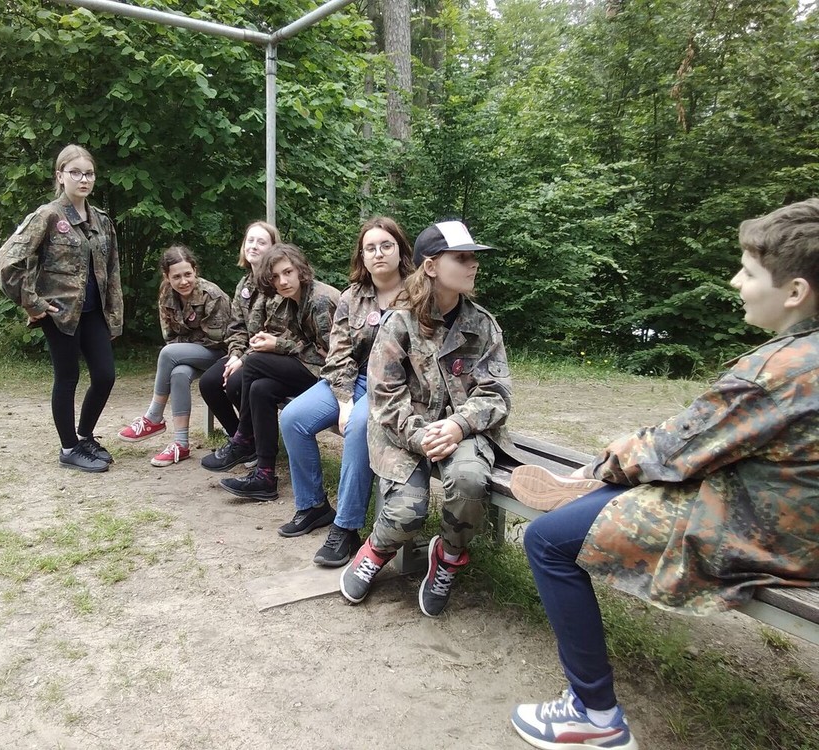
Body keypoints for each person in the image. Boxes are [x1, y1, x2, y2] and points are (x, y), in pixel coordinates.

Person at [507, 199, 819, 750]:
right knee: (616, 490)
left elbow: (680, 447)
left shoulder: (782, 370)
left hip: (766, 533)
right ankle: (593, 492)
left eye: (749, 273)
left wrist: (612, 458)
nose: (735, 282)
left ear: (795, 291)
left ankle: (593, 714)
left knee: (547, 540)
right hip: (793, 517)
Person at [339, 220, 512, 617]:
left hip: (466, 430)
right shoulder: (400, 321)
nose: (473, 265)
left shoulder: (482, 325)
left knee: (469, 481)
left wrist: (457, 425)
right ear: (431, 267)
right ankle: (375, 550)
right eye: (462, 258)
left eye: (473, 258)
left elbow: (497, 394)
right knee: (406, 512)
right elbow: (384, 396)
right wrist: (421, 437)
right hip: (402, 429)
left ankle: (448, 557)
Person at [277, 217, 414, 566]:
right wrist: (343, 399)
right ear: (362, 256)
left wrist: (354, 408)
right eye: (370, 248)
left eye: (386, 245)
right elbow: (338, 354)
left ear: (400, 250)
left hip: (396, 387)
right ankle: (313, 506)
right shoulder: (352, 297)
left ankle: (347, 526)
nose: (378, 253)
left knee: (359, 427)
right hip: (352, 380)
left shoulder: (419, 294)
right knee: (293, 418)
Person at [0, 144, 122, 473]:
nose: (84, 179)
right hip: (61, 313)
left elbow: (112, 271)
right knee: (67, 377)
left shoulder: (101, 220)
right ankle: (68, 449)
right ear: (60, 176)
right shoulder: (48, 216)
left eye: (89, 173)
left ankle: (84, 437)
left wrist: (114, 316)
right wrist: (32, 302)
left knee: (105, 376)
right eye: (75, 173)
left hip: (93, 313)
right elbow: (7, 261)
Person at [203, 244, 340, 501]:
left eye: (288, 272)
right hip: (313, 367)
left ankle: (244, 439)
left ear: (300, 270)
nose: (283, 281)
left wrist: (279, 345)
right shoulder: (292, 301)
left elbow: (334, 354)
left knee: (254, 362)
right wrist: (275, 342)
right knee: (260, 388)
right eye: (276, 277)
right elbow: (304, 345)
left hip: (335, 376)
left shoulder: (320, 300)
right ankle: (265, 476)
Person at [117, 245, 231, 466]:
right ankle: (181, 444)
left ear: (195, 270)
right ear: (167, 276)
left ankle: (153, 417)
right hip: (188, 353)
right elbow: (169, 335)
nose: (183, 281)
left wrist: (184, 347)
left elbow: (218, 340)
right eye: (176, 276)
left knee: (168, 354)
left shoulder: (212, 295)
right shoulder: (166, 294)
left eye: (188, 274)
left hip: (221, 354)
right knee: (178, 373)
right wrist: (186, 348)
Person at [198, 220, 281, 468]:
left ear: (273, 248)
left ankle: (251, 440)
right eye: (250, 240)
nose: (253, 246)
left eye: (261, 242)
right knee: (209, 383)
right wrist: (235, 354)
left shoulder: (278, 284)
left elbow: (274, 332)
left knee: (235, 382)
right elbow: (236, 327)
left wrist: (243, 360)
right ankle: (243, 441)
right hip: (244, 352)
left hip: (270, 355)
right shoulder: (244, 284)